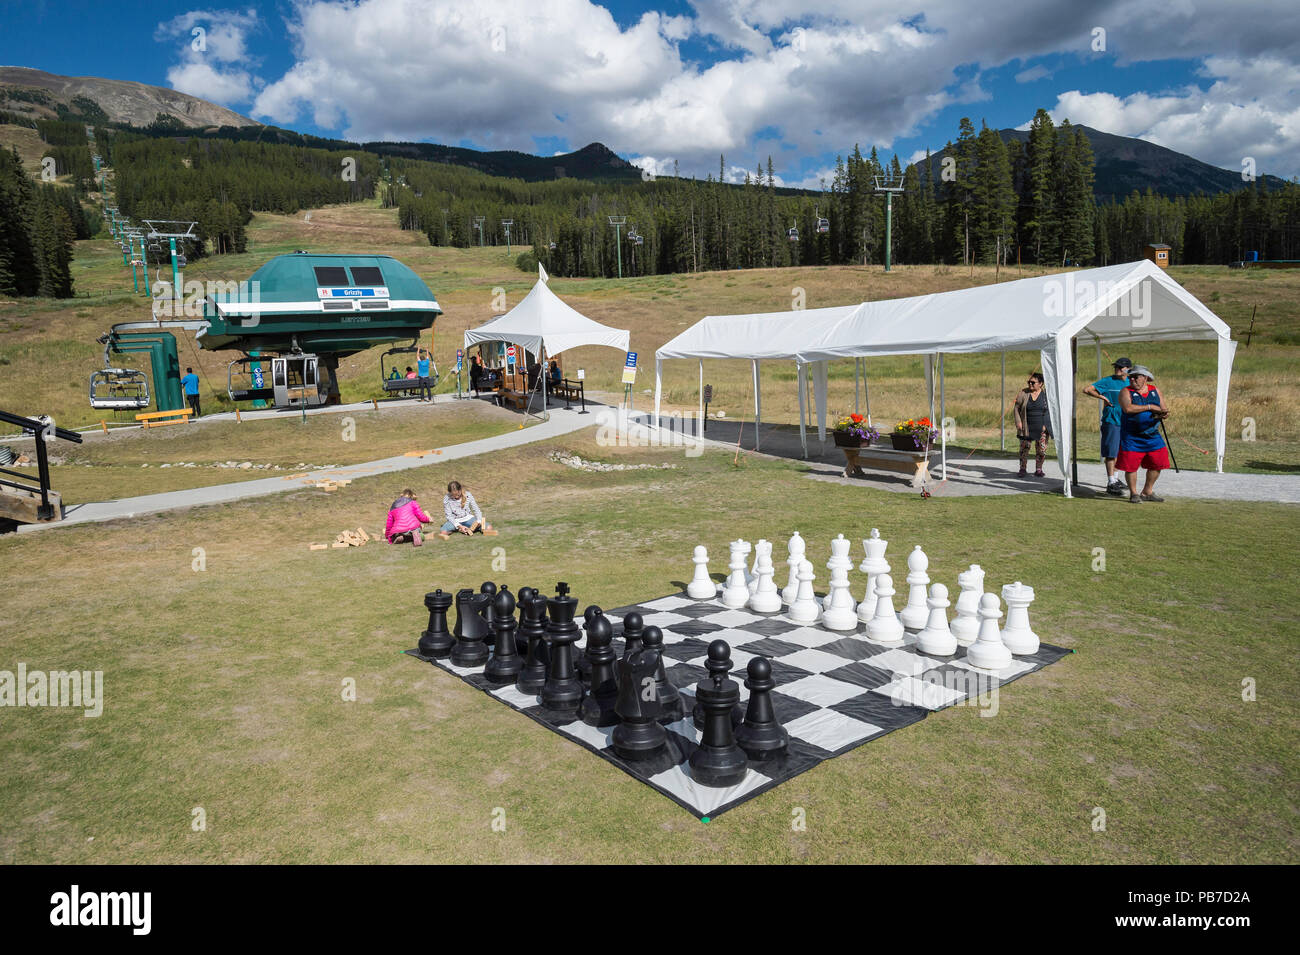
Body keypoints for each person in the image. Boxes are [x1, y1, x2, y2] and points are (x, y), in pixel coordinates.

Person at [1117, 365, 1170, 503]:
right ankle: (1134, 493)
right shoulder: (1125, 391)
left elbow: (1163, 408)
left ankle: (1147, 491)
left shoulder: (1155, 390)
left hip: (1152, 435)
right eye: (1130, 377)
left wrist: (1163, 414)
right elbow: (1128, 408)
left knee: (1158, 463)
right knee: (1131, 466)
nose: (1132, 379)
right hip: (1132, 436)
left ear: (1145, 378)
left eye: (1136, 376)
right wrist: (1150, 407)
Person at [1083, 356, 1133, 495]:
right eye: (1115, 367)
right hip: (1111, 420)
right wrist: (1102, 397)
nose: (1116, 369)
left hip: (1127, 421)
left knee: (1120, 451)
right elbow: (1087, 389)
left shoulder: (1131, 382)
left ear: (1128, 369)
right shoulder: (1108, 380)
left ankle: (1116, 479)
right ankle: (1111, 482)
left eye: (1120, 367)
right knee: (1111, 451)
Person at [1012, 371, 1052, 477]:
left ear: (1041, 384)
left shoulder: (1046, 395)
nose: (1030, 384)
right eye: (1029, 382)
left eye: (1033, 382)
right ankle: (1022, 468)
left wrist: (1046, 425)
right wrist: (1018, 422)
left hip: (1042, 427)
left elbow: (1050, 411)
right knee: (1024, 448)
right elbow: (1016, 408)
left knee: (1041, 450)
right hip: (1026, 426)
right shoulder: (1023, 393)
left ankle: (1039, 469)